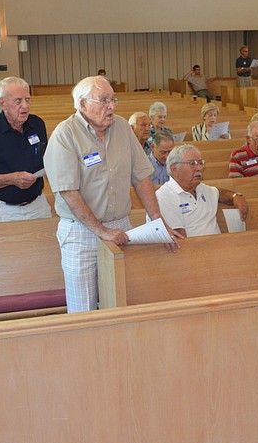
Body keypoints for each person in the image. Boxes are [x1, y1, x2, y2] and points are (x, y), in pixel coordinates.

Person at [43, 75, 181, 313]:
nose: (112, 106)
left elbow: (141, 177)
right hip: (81, 232)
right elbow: (68, 191)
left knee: (121, 304)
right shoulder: (65, 134)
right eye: (104, 100)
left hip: (120, 228)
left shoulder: (121, 129)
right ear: (83, 104)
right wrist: (101, 231)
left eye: (113, 99)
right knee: (83, 310)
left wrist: (158, 221)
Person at [0, 77, 53, 224]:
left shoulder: (37, 124)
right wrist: (11, 179)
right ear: (2, 103)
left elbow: (44, 157)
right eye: (18, 101)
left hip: (37, 206)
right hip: (1, 211)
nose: (25, 106)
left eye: (28, 99)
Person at [155, 145, 249, 238]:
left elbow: (220, 193)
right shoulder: (164, 196)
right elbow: (180, 240)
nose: (199, 168)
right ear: (174, 169)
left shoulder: (201, 188)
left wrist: (236, 196)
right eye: (192, 164)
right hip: (195, 250)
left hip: (219, 246)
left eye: (200, 163)